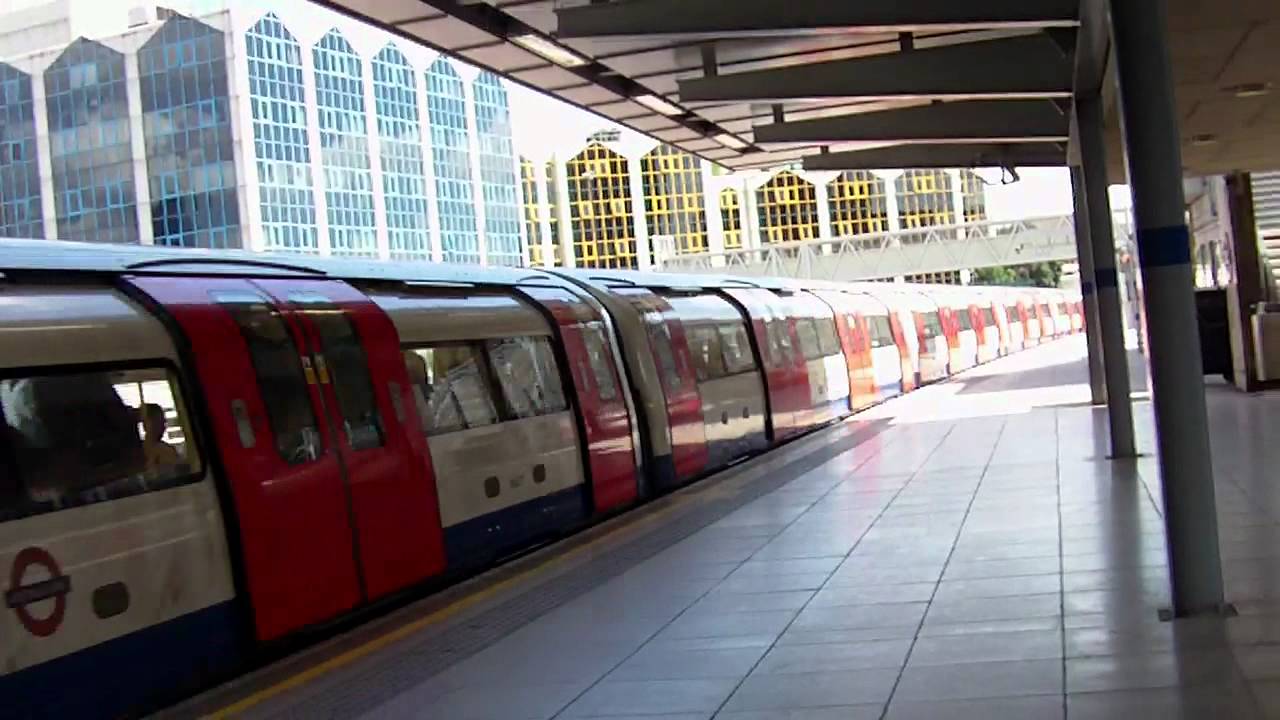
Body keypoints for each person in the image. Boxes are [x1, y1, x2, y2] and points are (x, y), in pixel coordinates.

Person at [142, 403, 179, 474]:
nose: (163, 427)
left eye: (163, 422)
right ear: (146, 424)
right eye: (159, 422)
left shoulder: (167, 450)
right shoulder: (166, 451)